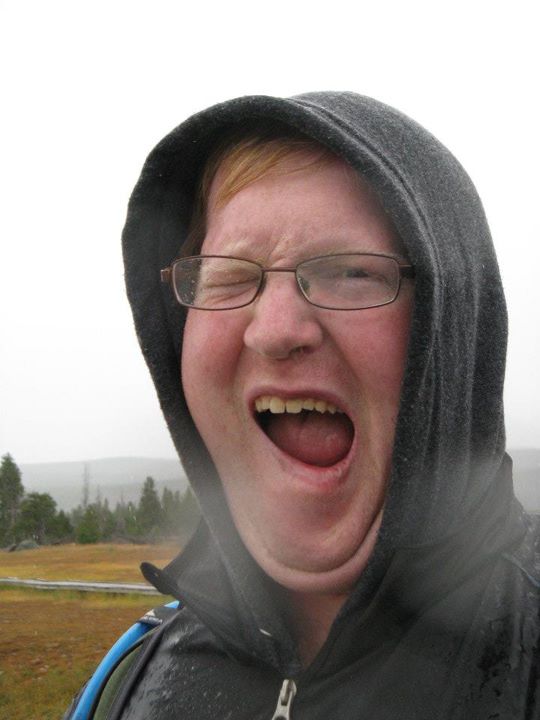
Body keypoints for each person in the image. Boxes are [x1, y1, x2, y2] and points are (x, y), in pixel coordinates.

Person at [65, 92, 539, 719]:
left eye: (351, 272)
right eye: (229, 277)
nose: (275, 330)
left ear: (456, 325)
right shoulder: (129, 680)